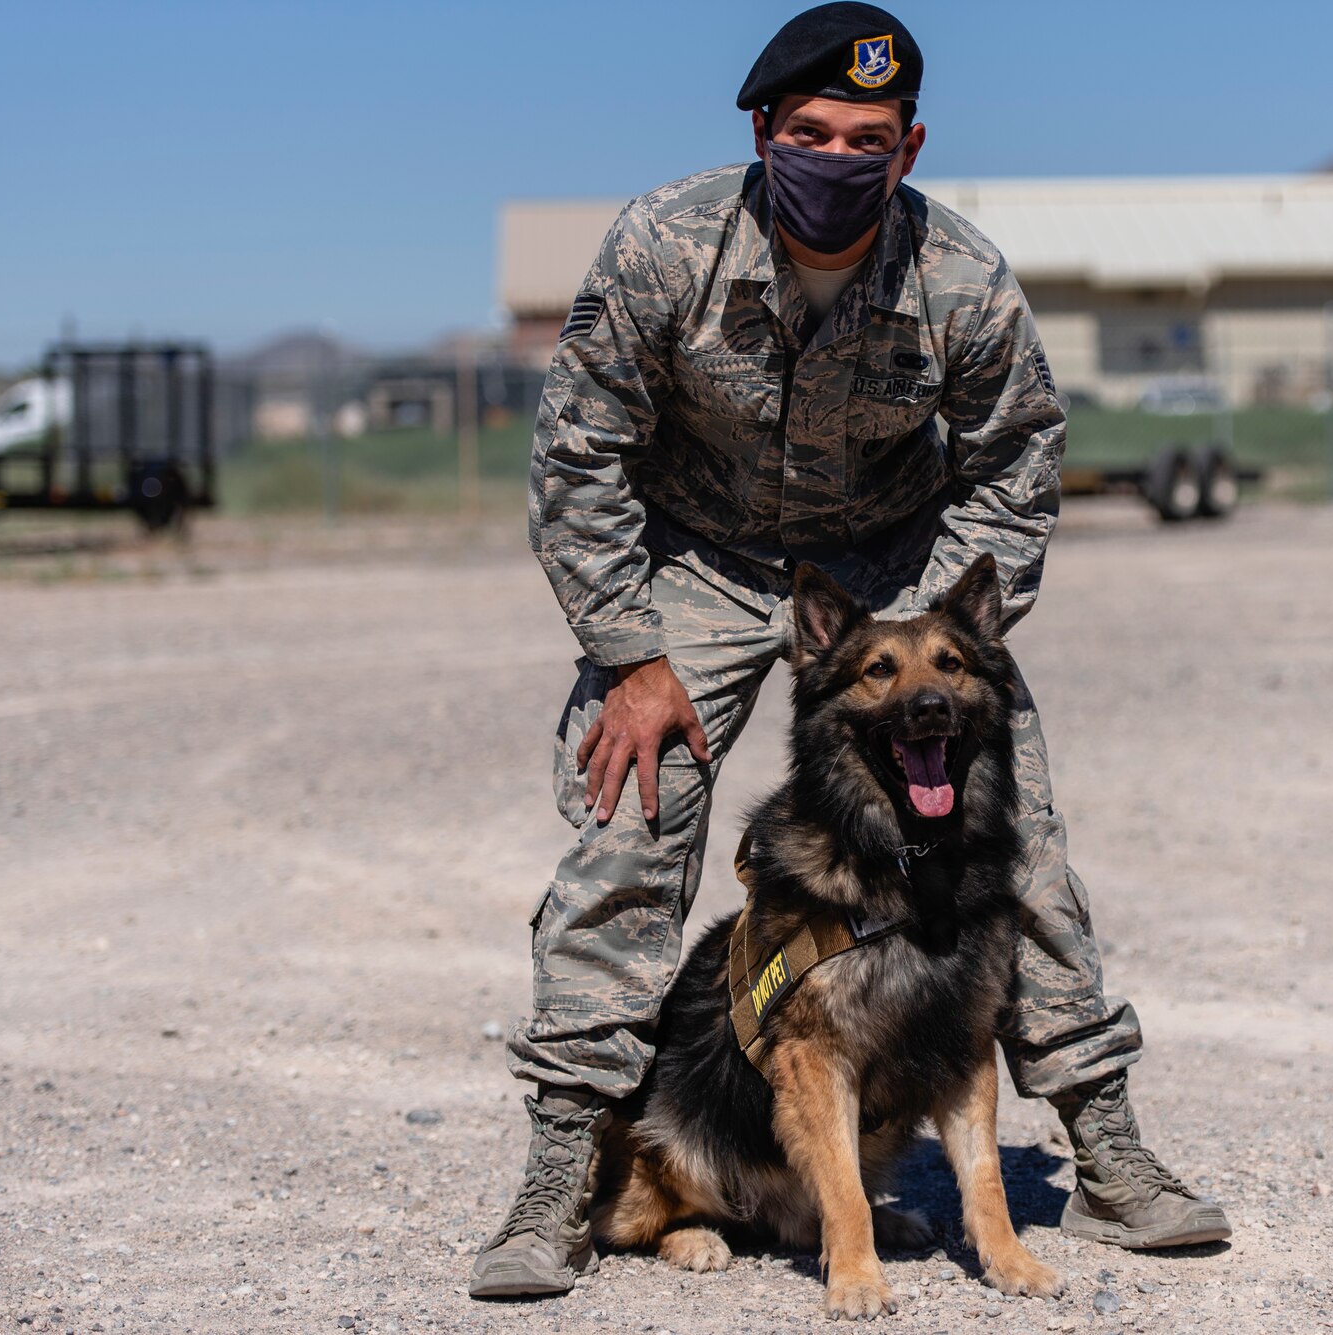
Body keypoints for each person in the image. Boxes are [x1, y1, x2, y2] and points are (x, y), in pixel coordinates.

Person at [469, 2, 1232, 1299]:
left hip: (892, 566)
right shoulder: (666, 245)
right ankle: (565, 1171)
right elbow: (580, 451)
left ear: (910, 145)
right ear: (763, 131)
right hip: (695, 560)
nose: (833, 156)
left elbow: (1017, 463)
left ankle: (1106, 1152)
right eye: (808, 132)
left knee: (1013, 836)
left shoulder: (964, 284)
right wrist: (629, 653)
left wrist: (927, 646)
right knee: (627, 824)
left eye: (864, 138)